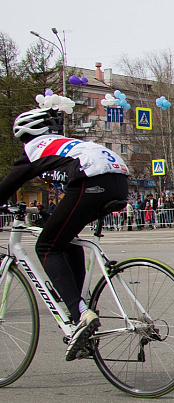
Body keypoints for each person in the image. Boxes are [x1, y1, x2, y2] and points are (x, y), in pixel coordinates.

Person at [0, 106, 129, 361]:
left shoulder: (35, 148)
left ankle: (80, 313)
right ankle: (81, 304)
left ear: (29, 134)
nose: (24, 145)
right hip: (118, 181)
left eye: (23, 140)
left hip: (92, 180)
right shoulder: (66, 145)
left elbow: (6, 186)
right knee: (65, 238)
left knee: (46, 247)